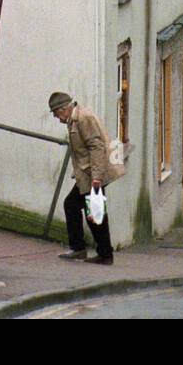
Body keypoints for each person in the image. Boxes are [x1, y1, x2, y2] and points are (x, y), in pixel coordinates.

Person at [49, 91, 124, 264]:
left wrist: (96, 179)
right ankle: (96, 252)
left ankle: (95, 252)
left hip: (92, 175)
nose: (55, 116)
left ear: (63, 109)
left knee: (91, 212)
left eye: (55, 112)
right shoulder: (75, 118)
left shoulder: (83, 119)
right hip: (87, 174)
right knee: (88, 211)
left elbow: (96, 148)